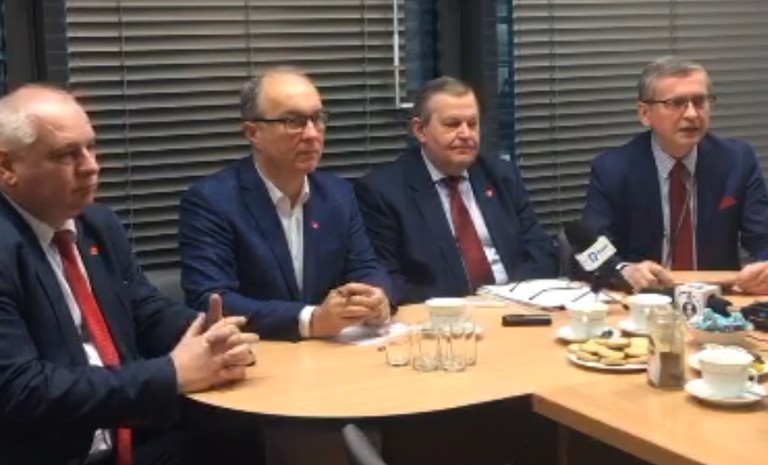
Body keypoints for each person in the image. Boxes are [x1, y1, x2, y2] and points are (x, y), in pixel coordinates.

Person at [0, 85, 258, 465]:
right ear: (7, 167)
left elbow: (144, 310)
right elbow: (24, 390)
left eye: (91, 147)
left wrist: (209, 335)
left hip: (130, 438)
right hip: (52, 452)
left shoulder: (97, 225)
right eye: (66, 154)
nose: (91, 166)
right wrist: (172, 373)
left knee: (243, 435)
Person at [178, 67, 392, 341]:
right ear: (253, 132)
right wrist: (310, 320)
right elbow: (212, 300)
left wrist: (376, 296)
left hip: (330, 353)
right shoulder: (212, 201)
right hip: (259, 353)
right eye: (294, 121)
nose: (312, 134)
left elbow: (365, 267)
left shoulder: (337, 194)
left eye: (318, 118)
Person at [355, 76, 558, 305]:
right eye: (452, 124)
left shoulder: (502, 176)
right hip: (442, 317)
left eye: (472, 124)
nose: (465, 134)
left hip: (513, 307)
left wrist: (508, 297)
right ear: (420, 130)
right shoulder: (383, 191)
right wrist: (464, 306)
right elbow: (387, 279)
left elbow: (541, 252)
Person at [582, 56, 768, 294]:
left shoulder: (737, 160)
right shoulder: (613, 169)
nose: (692, 114)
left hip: (718, 298)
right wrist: (624, 270)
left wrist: (764, 268)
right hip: (646, 298)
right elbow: (591, 248)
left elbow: (763, 236)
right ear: (645, 113)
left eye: (700, 101)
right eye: (676, 103)